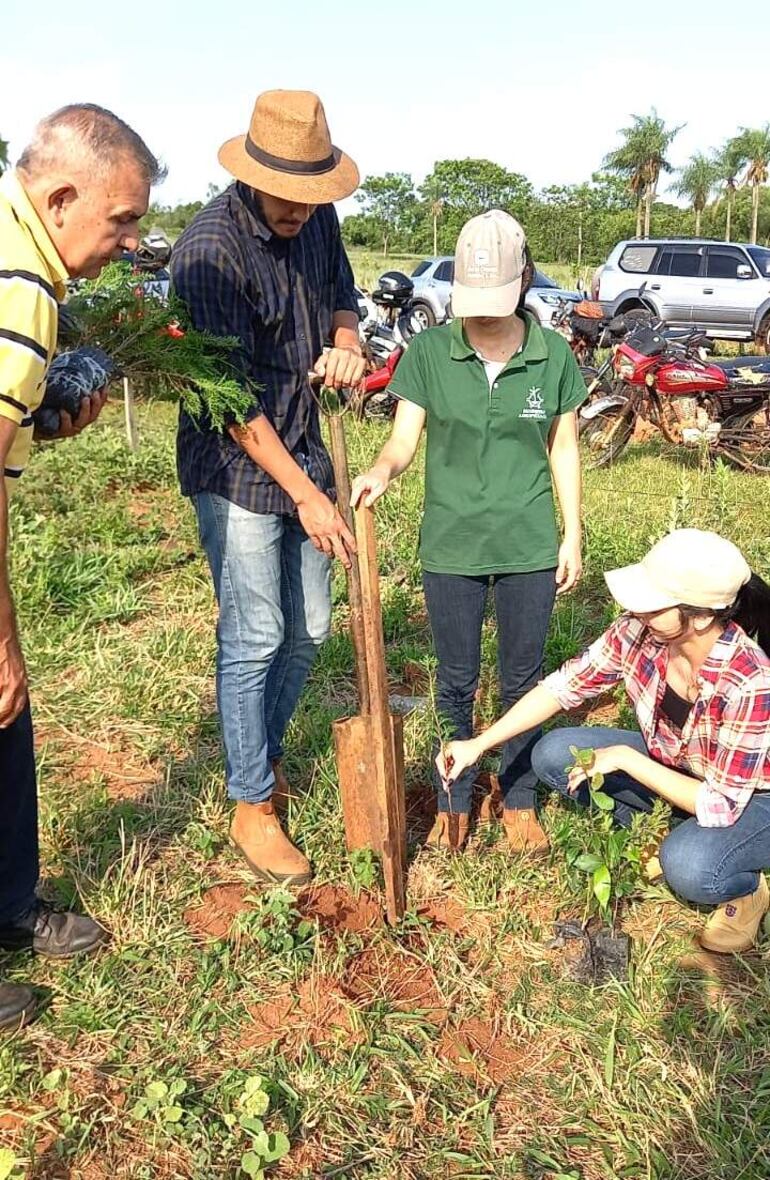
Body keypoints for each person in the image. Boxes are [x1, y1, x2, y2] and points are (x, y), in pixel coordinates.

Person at [171, 90, 364, 886]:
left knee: (311, 626)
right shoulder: (207, 252)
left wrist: (347, 341)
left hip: (306, 443)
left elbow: (344, 296)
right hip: (238, 467)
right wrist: (308, 498)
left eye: (311, 193)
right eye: (286, 193)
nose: (298, 209)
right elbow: (232, 405)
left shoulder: (317, 217)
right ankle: (252, 800)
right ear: (253, 174)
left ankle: (263, 753)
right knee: (254, 633)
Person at [351, 211, 585, 853]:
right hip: (450, 544)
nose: (480, 317)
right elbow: (403, 438)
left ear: (524, 280)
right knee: (455, 676)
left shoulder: (552, 354)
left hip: (527, 541)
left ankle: (517, 797)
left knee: (522, 675)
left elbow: (563, 446)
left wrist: (573, 533)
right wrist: (381, 470)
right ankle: (456, 792)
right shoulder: (430, 352)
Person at [0, 104, 161, 1031]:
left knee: (6, 732)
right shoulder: (22, 281)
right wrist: (3, 635)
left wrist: (41, 423)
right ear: (62, 198)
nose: (129, 241)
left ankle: (12, 905)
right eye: (122, 220)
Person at [438, 530, 770, 954]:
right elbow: (561, 688)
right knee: (556, 754)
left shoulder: (749, 680)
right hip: (683, 768)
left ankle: (744, 888)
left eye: (654, 602)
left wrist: (628, 760)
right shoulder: (639, 632)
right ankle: (671, 833)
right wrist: (478, 744)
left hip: (751, 799)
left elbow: (720, 805)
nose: (636, 608)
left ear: (700, 616)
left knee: (691, 866)